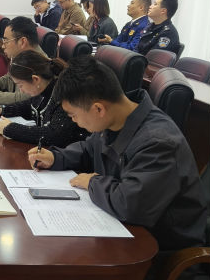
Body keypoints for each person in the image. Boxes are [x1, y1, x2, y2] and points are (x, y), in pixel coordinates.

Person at [28, 55, 206, 268]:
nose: (74, 121)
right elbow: (89, 149)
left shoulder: (158, 142)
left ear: (98, 109)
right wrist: (56, 157)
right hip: (123, 231)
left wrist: (92, 182)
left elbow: (130, 205)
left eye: (73, 115)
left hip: (160, 253)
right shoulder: (116, 119)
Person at [0, 50, 89, 147]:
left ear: (35, 79)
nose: (21, 90)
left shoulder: (63, 94)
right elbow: (29, 106)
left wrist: (10, 129)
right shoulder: (43, 89)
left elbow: (56, 135)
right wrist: (2, 109)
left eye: (20, 85)